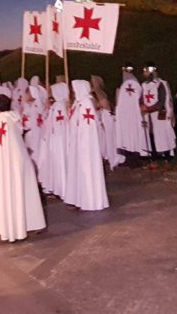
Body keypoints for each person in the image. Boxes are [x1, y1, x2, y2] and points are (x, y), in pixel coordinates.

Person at [0, 93, 46, 242]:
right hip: (18, 164)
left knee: (10, 196)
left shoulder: (2, 123)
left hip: (8, 168)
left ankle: (11, 230)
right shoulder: (12, 119)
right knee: (21, 196)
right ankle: (22, 225)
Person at [63, 79, 109, 211]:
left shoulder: (86, 104)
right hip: (78, 143)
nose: (73, 92)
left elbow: (87, 127)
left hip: (85, 145)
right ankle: (78, 198)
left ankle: (89, 199)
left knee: (86, 169)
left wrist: (80, 141)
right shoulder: (79, 103)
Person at [140, 63, 175, 165]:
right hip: (148, 115)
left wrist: (150, 108)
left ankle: (167, 160)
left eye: (146, 71)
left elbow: (162, 101)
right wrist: (142, 105)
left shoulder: (160, 84)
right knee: (151, 135)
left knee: (163, 135)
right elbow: (142, 98)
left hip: (159, 114)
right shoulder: (144, 85)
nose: (144, 73)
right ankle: (154, 160)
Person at [114, 65, 146, 163]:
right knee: (134, 135)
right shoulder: (138, 85)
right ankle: (135, 158)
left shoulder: (122, 86)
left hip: (125, 116)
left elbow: (118, 102)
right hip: (135, 116)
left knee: (126, 136)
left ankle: (130, 158)